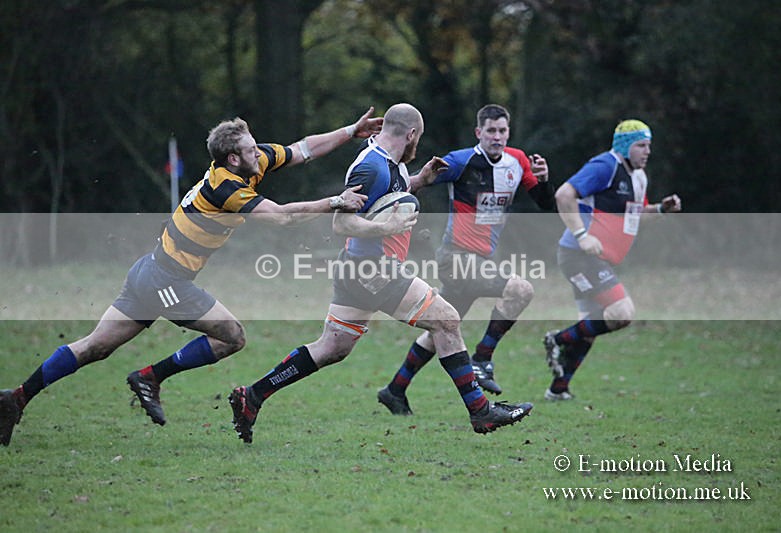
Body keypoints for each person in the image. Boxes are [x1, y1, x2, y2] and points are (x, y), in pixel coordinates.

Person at [0, 108, 383, 446]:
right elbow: (281, 217)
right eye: (251, 150)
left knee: (94, 347)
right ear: (233, 158)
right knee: (232, 336)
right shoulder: (225, 187)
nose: (259, 152)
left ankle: (16, 398)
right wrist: (335, 201)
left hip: (149, 271)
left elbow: (303, 149)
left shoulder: (249, 162)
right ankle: (151, 376)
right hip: (165, 281)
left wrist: (351, 131)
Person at [228, 103, 534, 444]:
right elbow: (342, 222)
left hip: (357, 268)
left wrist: (420, 181)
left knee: (333, 347)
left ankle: (252, 396)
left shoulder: (391, 162)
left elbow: (388, 195)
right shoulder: (371, 167)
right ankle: (481, 411)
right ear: (412, 134)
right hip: (374, 269)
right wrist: (385, 227)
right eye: (419, 138)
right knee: (447, 320)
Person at [376, 104, 554, 416]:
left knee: (441, 328)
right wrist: (391, 194)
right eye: (491, 131)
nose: (497, 137)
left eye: (502, 131)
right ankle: (482, 359)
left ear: (508, 133)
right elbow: (417, 182)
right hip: (456, 257)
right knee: (520, 289)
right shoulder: (461, 161)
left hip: (481, 259)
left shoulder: (518, 161)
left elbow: (545, 203)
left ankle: (395, 390)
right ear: (479, 133)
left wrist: (544, 181)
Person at [542, 119, 681, 401]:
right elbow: (564, 195)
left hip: (596, 259)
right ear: (625, 146)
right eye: (641, 145)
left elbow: (635, 216)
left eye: (649, 145)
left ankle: (558, 389)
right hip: (579, 256)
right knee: (621, 313)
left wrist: (661, 209)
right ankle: (556, 339)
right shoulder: (605, 165)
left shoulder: (639, 177)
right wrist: (582, 235)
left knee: (590, 326)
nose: (647, 151)